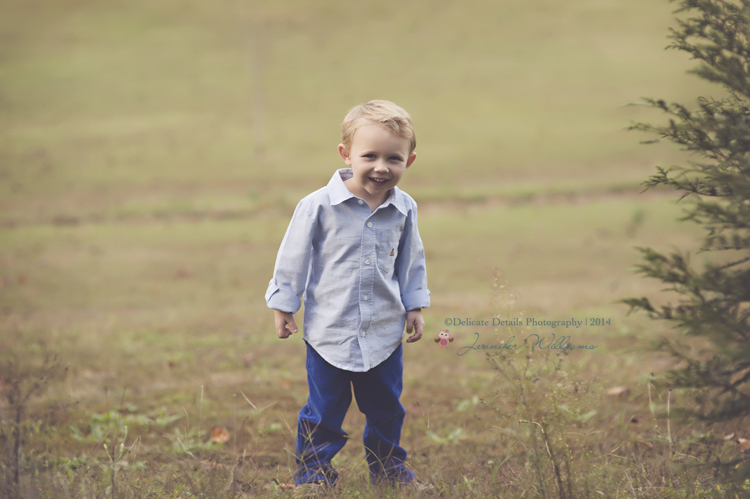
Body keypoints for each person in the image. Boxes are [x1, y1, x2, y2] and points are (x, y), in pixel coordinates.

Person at [265, 100, 432, 493]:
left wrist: (415, 305)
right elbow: (292, 257)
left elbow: (412, 260)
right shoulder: (317, 206)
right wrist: (284, 304)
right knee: (323, 411)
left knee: (387, 409)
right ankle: (313, 474)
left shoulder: (404, 208)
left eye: (393, 158)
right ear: (346, 155)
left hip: (384, 333)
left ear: (409, 161)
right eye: (369, 156)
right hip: (329, 334)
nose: (381, 167)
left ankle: (390, 470)